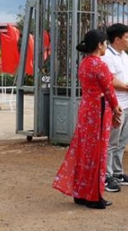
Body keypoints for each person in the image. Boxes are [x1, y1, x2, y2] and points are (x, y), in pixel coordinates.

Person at [52, 28, 121, 210]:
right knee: (98, 152)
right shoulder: (100, 64)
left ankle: (81, 192)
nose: (106, 46)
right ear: (99, 45)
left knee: (85, 151)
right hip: (99, 110)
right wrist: (116, 107)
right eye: (105, 43)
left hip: (86, 108)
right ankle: (94, 195)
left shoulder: (84, 63)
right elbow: (108, 90)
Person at [102, 23, 128, 193]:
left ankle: (117, 172)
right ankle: (106, 175)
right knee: (111, 142)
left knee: (122, 141)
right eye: (127, 37)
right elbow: (110, 80)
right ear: (117, 39)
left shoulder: (124, 55)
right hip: (115, 105)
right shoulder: (107, 57)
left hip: (127, 104)